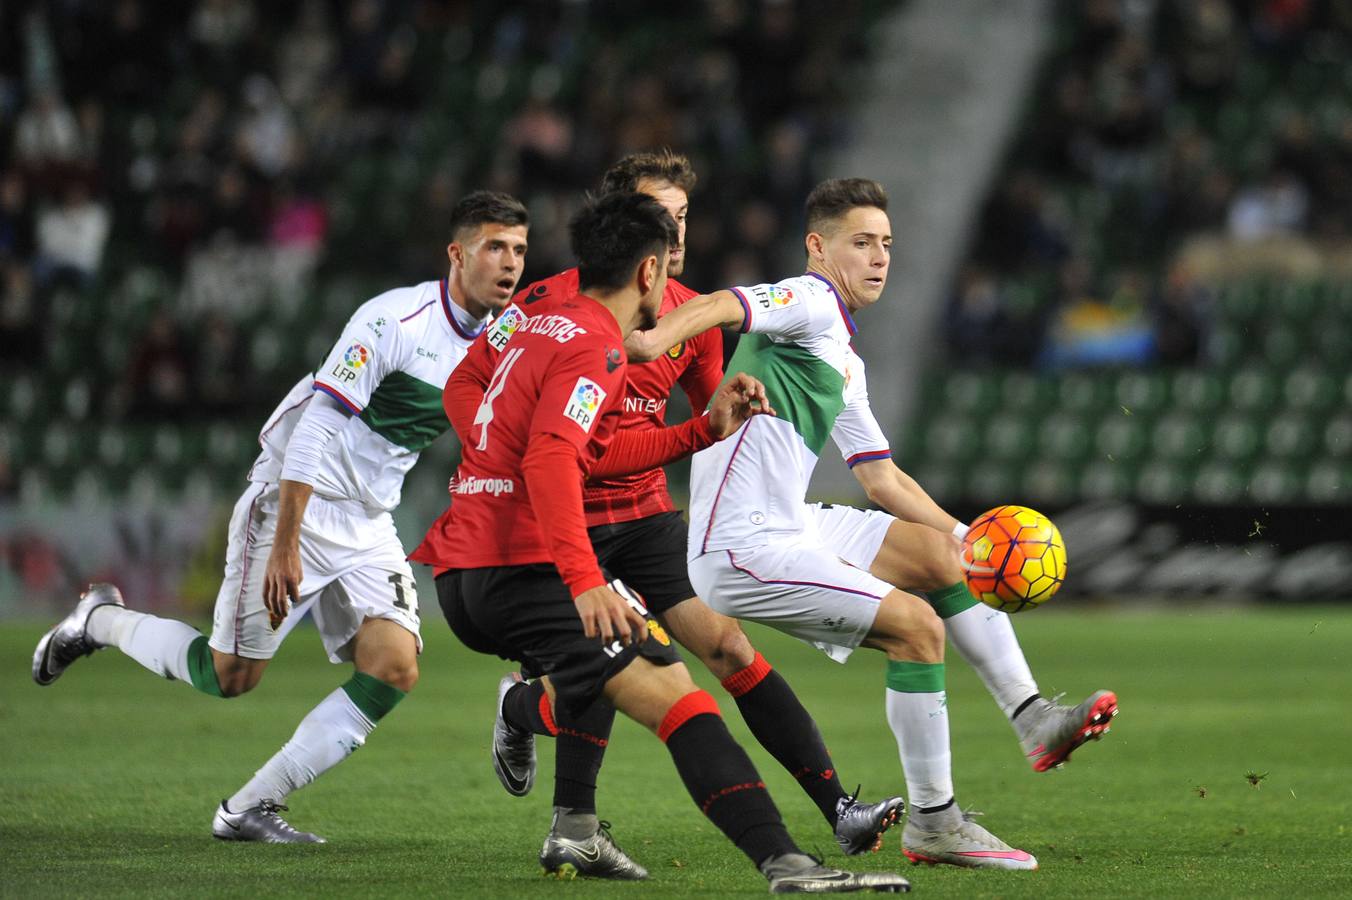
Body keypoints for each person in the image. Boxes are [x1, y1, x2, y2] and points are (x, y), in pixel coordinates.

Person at [423, 151, 902, 880]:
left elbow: (688, 427)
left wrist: (718, 440)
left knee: (719, 651)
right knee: (635, 674)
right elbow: (509, 417)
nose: (675, 234)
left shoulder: (685, 317)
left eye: (683, 217)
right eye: (661, 218)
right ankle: (603, 828)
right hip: (548, 532)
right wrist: (501, 458)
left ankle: (832, 809)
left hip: (633, 514)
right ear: (632, 238)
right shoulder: (560, 312)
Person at [630, 177, 1119, 870]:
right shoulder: (809, 299)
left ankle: (1035, 718)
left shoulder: (844, 361)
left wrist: (969, 538)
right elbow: (718, 305)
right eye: (861, 243)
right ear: (817, 246)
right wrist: (652, 343)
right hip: (738, 546)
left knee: (941, 561)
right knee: (916, 629)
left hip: (788, 523)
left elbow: (880, 478)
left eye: (886, 244)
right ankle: (935, 822)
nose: (879, 257)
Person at [31, 191, 532, 843]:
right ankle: (99, 619)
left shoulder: (508, 331)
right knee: (229, 676)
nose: (510, 263)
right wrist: (285, 544)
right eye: (495, 246)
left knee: (394, 665)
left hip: (367, 518)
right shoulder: (393, 321)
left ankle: (248, 807)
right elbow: (317, 426)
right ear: (457, 254)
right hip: (299, 498)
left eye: (520, 249)